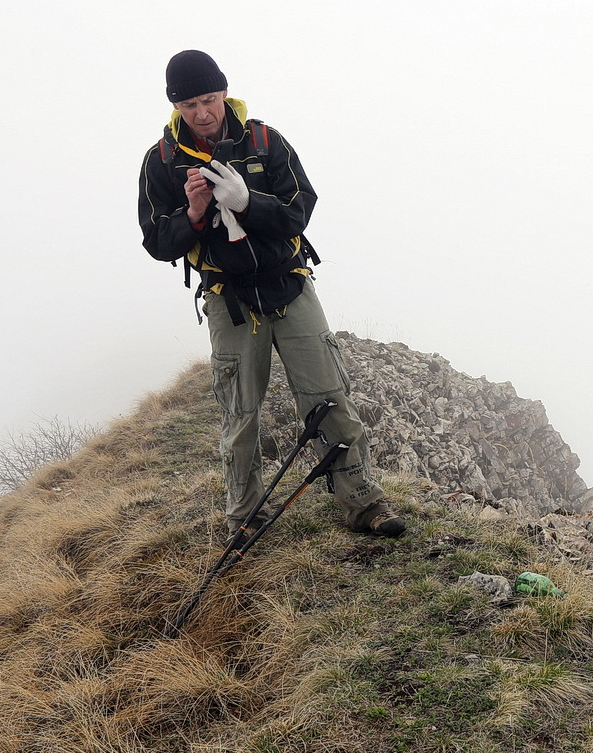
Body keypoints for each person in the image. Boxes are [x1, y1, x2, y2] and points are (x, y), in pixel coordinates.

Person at [138, 50, 405, 541]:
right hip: (230, 299)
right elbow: (157, 242)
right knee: (241, 412)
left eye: (209, 99)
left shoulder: (266, 141)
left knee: (329, 396)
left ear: (224, 93)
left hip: (290, 283)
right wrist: (193, 214)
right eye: (189, 103)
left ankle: (365, 503)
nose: (201, 112)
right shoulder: (162, 162)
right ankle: (244, 517)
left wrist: (247, 202)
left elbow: (300, 209)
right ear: (175, 106)